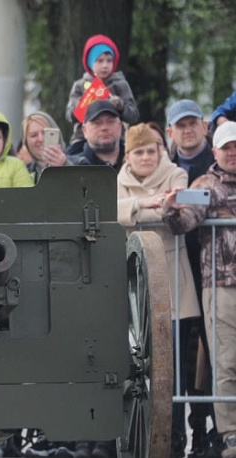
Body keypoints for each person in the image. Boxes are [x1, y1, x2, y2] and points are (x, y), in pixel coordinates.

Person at [117, 123, 201, 457]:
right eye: (139, 151)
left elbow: (175, 204)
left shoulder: (176, 172)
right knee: (137, 368)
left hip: (173, 282)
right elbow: (112, 209)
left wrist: (139, 208)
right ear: (128, 156)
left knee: (174, 369)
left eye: (152, 150)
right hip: (136, 287)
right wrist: (145, 204)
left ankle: (176, 435)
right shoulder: (117, 180)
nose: (147, 157)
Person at [163, 121, 236, 458]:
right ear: (215, 150)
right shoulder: (204, 185)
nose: (233, 152)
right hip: (220, 287)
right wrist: (170, 207)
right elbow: (183, 220)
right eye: (227, 147)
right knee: (226, 363)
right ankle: (231, 434)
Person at [165, 99, 218, 456]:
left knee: (212, 355)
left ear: (204, 126)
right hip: (175, 273)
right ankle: (175, 433)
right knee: (176, 356)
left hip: (212, 270)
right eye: (179, 125)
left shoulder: (214, 166)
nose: (187, 130)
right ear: (170, 131)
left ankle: (206, 429)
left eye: (192, 124)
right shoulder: (166, 167)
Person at [65, 34, 139, 144]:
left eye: (109, 61)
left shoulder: (121, 84)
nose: (105, 65)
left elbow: (133, 116)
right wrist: (83, 105)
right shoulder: (80, 85)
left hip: (117, 141)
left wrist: (120, 106)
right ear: (90, 63)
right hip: (82, 139)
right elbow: (69, 115)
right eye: (100, 61)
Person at [67, 100, 126, 171]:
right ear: (84, 130)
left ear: (120, 126)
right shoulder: (71, 167)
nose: (104, 128)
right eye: (97, 123)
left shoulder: (137, 164)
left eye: (110, 122)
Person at [19, 111, 71, 183]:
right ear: (26, 142)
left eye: (45, 133)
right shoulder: (22, 172)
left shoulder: (80, 162)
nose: (40, 139)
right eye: (34, 135)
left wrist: (65, 165)